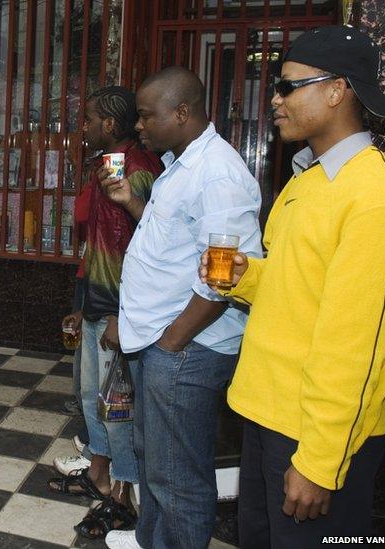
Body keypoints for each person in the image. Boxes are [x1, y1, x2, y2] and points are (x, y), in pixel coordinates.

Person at [198, 27, 385, 548]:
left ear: (337, 90)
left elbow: (356, 344)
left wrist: (321, 462)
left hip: (313, 433)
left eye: (288, 86)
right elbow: (297, 287)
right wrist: (247, 277)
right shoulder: (307, 180)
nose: (275, 100)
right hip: (269, 413)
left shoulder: (374, 197)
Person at [103, 66, 263, 549]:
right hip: (165, 339)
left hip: (188, 346)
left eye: (146, 115)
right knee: (155, 458)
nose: (139, 126)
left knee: (178, 475)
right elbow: (175, 245)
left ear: (182, 112)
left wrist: (172, 342)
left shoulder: (217, 174)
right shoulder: (181, 164)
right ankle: (150, 538)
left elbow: (224, 274)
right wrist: (131, 202)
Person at [48, 86, 162, 540]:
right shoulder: (107, 167)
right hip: (97, 303)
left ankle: (123, 495)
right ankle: (99, 475)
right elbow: (99, 245)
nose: (85, 126)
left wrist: (120, 313)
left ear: (110, 124)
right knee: (93, 397)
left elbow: (143, 249)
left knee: (117, 409)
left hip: (119, 309)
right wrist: (84, 306)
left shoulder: (139, 170)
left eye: (90, 119)